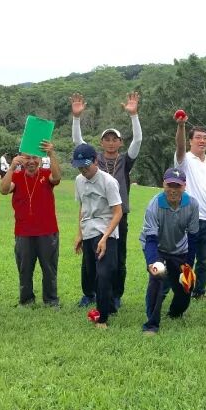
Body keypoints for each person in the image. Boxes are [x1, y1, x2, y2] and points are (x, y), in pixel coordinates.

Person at [71, 91, 143, 309]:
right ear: (101, 143)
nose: (111, 143)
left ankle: (115, 294)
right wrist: (76, 118)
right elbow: (78, 143)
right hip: (94, 215)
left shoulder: (125, 161)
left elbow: (138, 140)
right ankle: (89, 293)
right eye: (107, 139)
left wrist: (134, 115)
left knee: (118, 257)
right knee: (89, 256)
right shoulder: (95, 160)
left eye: (115, 139)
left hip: (119, 215)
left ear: (120, 142)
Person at [0, 140, 62, 307]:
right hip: (23, 231)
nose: (31, 161)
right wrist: (11, 168)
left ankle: (51, 300)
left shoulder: (46, 174)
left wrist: (51, 153)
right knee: (24, 268)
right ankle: (26, 300)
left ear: (40, 159)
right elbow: (4, 190)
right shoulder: (16, 176)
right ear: (21, 158)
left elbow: (56, 178)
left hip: (47, 230)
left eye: (35, 158)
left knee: (49, 268)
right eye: (27, 158)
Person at [139, 167, 199, 335]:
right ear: (163, 184)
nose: (173, 190)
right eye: (169, 185)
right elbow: (150, 239)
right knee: (157, 279)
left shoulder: (192, 204)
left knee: (187, 284)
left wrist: (188, 265)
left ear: (184, 186)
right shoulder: (154, 205)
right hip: (157, 248)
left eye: (177, 186)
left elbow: (193, 237)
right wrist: (152, 262)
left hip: (180, 249)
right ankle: (151, 324)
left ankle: (175, 312)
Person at [72, 143, 123, 329]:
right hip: (88, 231)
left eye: (86, 166)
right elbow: (82, 207)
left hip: (105, 231)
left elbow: (118, 212)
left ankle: (102, 319)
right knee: (92, 274)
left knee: (104, 275)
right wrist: (79, 233)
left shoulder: (108, 182)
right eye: (79, 167)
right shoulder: (79, 180)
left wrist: (104, 237)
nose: (83, 170)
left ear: (95, 161)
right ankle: (110, 306)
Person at [174, 113, 206, 300]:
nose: (202, 141)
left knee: (205, 259)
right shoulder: (184, 159)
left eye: (205, 138)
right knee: (187, 258)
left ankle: (199, 292)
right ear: (190, 141)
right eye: (198, 137)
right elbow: (179, 147)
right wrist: (181, 126)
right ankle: (185, 290)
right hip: (189, 218)